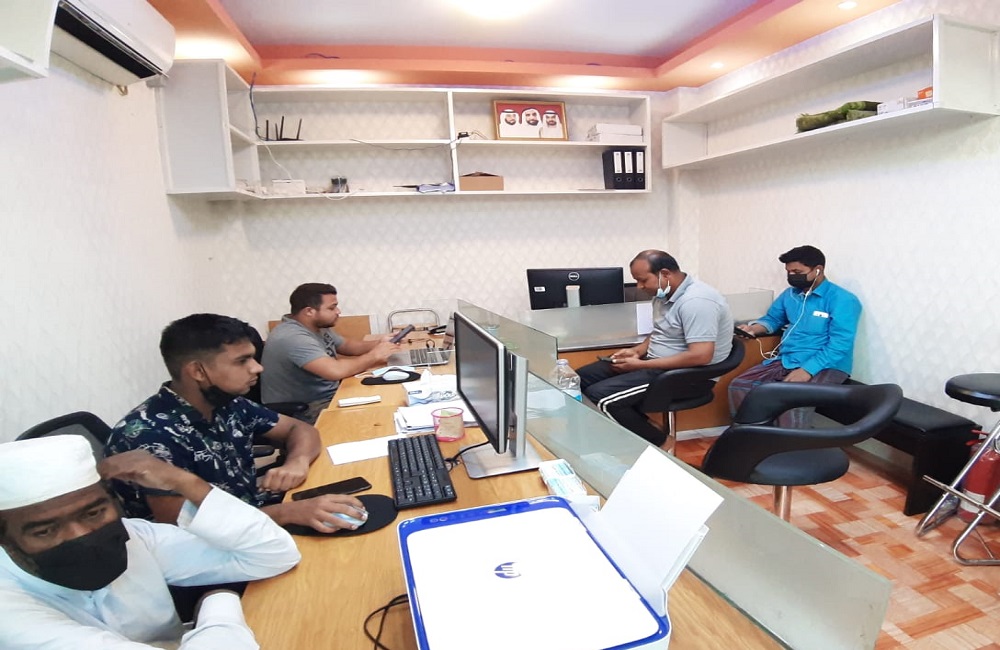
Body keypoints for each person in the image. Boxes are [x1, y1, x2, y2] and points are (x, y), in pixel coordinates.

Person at [0, 435, 301, 648]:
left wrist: (183, 482)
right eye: (45, 530)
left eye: (93, 513)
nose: (81, 536)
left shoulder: (136, 536)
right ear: (6, 541)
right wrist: (219, 603)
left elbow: (274, 553)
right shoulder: (8, 612)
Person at [106, 313, 369, 534]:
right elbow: (188, 528)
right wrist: (287, 512)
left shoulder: (229, 403)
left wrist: (296, 462)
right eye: (242, 361)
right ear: (197, 371)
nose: (257, 368)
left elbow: (299, 428)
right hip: (210, 552)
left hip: (254, 515)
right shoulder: (149, 436)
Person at [577, 250, 734, 446]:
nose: (639, 287)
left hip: (689, 376)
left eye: (643, 280)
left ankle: (660, 442)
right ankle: (649, 429)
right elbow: (663, 331)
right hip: (657, 364)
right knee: (579, 380)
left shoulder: (697, 302)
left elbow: (701, 356)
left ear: (665, 274)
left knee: (600, 397)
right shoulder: (664, 294)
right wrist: (637, 351)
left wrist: (640, 365)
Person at [728, 245, 862, 428]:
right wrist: (754, 328)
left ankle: (792, 442)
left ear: (818, 270)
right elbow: (773, 318)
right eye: (788, 272)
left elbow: (840, 344)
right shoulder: (790, 295)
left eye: (797, 272)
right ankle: (753, 434)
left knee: (791, 400)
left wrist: (808, 370)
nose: (792, 276)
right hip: (788, 358)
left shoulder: (842, 299)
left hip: (827, 364)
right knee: (740, 385)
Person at [261, 283, 401, 423]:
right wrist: (375, 355)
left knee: (392, 397)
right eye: (332, 308)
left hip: (329, 395)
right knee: (381, 417)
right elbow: (335, 371)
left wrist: (380, 343)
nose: (338, 311)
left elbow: (347, 346)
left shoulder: (316, 326)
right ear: (309, 311)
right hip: (308, 409)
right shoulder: (292, 337)